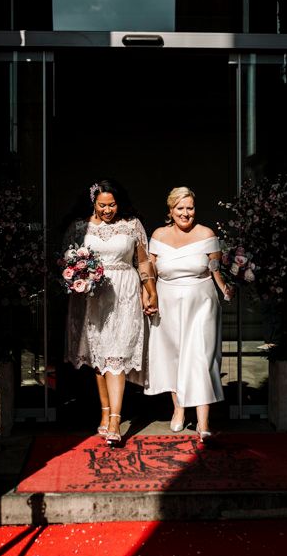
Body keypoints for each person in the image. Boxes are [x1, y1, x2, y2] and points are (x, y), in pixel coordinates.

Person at [63, 179, 158, 446]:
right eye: (102, 205)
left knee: (116, 355)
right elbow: (66, 260)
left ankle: (116, 418)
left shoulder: (131, 225)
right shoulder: (80, 227)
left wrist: (150, 290)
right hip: (92, 297)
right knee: (99, 355)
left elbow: (143, 260)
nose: (108, 210)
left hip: (124, 293)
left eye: (112, 204)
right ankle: (105, 413)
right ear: (93, 202)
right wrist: (78, 277)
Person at [144, 186, 234, 442]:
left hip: (201, 302)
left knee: (201, 357)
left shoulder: (207, 234)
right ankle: (179, 409)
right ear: (170, 210)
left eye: (190, 208)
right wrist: (148, 296)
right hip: (168, 301)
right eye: (180, 208)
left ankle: (203, 421)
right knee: (174, 356)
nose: (186, 213)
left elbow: (216, 269)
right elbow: (150, 271)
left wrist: (226, 288)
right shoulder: (158, 235)